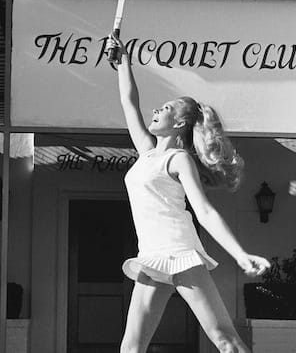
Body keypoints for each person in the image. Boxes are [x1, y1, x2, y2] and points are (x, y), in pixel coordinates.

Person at [107, 35, 270, 353]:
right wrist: (123, 63)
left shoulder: (178, 159)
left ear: (179, 123)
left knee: (225, 340)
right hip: (151, 255)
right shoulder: (147, 153)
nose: (156, 111)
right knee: (130, 348)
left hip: (180, 253)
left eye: (165, 109)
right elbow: (129, 102)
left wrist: (240, 255)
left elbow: (205, 211)